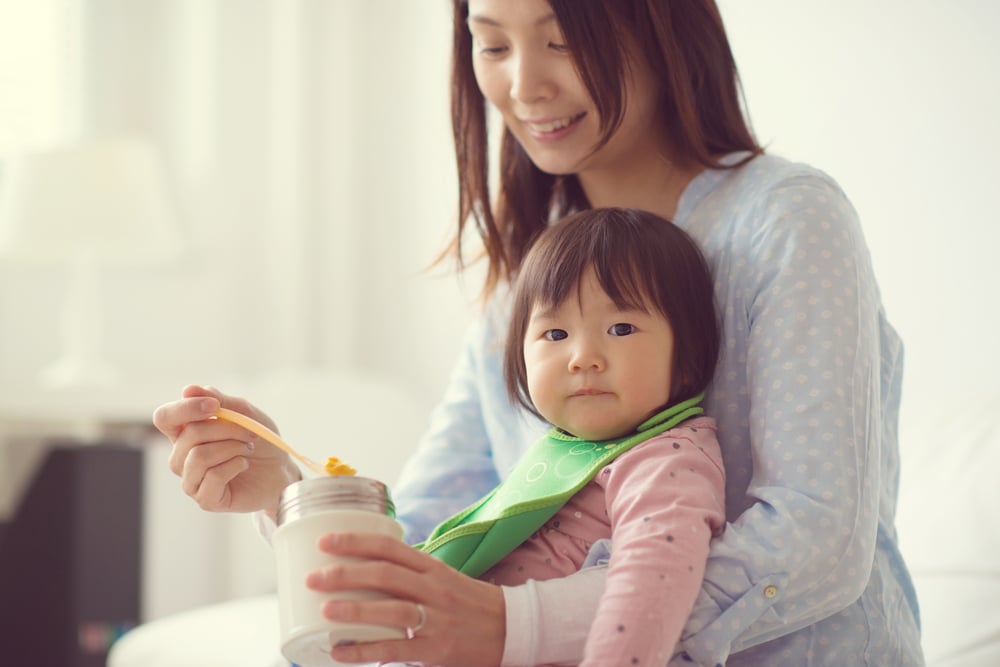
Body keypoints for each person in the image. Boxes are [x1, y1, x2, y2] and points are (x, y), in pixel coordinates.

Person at [152, 1, 925, 665]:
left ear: (660, 23)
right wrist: (289, 493)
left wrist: (512, 624)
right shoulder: (526, 285)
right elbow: (428, 544)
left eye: (562, 40)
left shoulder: (787, 220)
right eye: (492, 44)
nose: (523, 85)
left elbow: (818, 540)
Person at [417, 207, 726, 666]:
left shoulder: (667, 459)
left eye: (621, 328)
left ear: (686, 357)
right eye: (555, 332)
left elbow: (649, 587)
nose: (583, 357)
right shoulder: (558, 455)